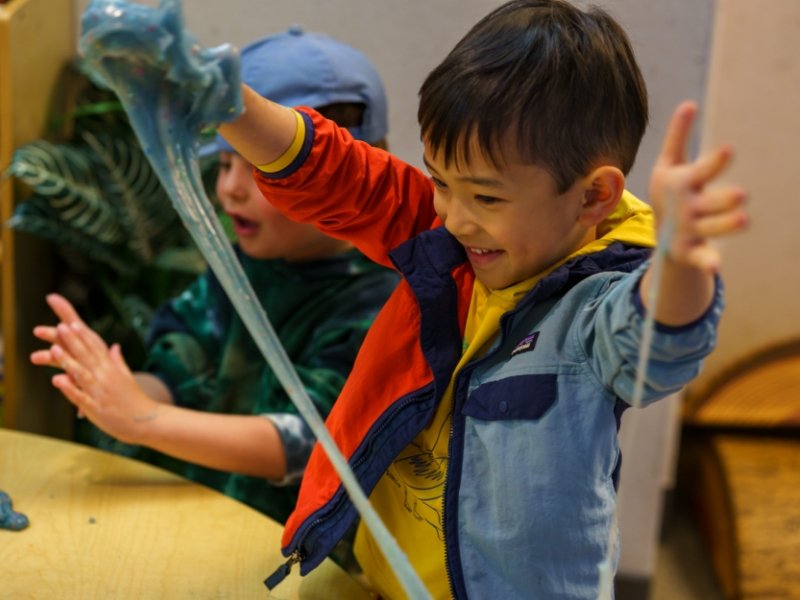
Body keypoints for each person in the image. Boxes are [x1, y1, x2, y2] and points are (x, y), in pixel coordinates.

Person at [63, 0, 750, 597]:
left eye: (484, 195)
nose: (452, 216)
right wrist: (225, 99)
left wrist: (680, 260)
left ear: (593, 196)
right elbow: (341, 176)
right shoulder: (450, 235)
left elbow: (657, 342)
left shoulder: (593, 305)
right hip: (379, 574)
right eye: (440, 181)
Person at [30, 26, 399, 527]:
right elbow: (179, 368)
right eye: (223, 164)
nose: (227, 191)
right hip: (196, 515)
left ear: (346, 174)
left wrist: (146, 420)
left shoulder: (380, 299)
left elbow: (309, 443)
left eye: (256, 169)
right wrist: (110, 389)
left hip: (290, 550)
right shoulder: (243, 264)